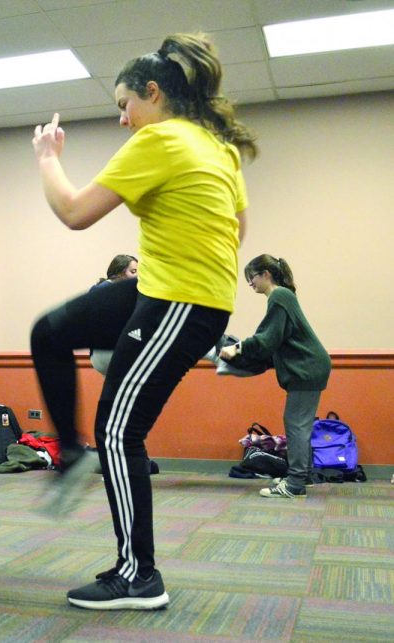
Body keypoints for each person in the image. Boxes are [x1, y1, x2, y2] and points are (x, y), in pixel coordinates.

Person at [30, 32, 256, 611]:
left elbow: (75, 212)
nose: (124, 120)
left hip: (179, 301)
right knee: (50, 331)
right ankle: (73, 452)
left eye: (124, 105)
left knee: (118, 430)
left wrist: (48, 159)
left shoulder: (160, 139)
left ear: (152, 94)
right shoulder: (218, 147)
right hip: (163, 288)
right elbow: (237, 233)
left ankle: (138, 575)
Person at [220, 255, 330, 499]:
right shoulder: (283, 297)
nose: (250, 284)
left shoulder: (279, 296)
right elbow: (276, 340)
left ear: (266, 274)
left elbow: (267, 338)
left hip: (307, 368)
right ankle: (305, 475)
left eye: (252, 278)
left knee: (296, 425)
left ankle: (295, 484)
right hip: (308, 368)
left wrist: (236, 348)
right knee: (300, 424)